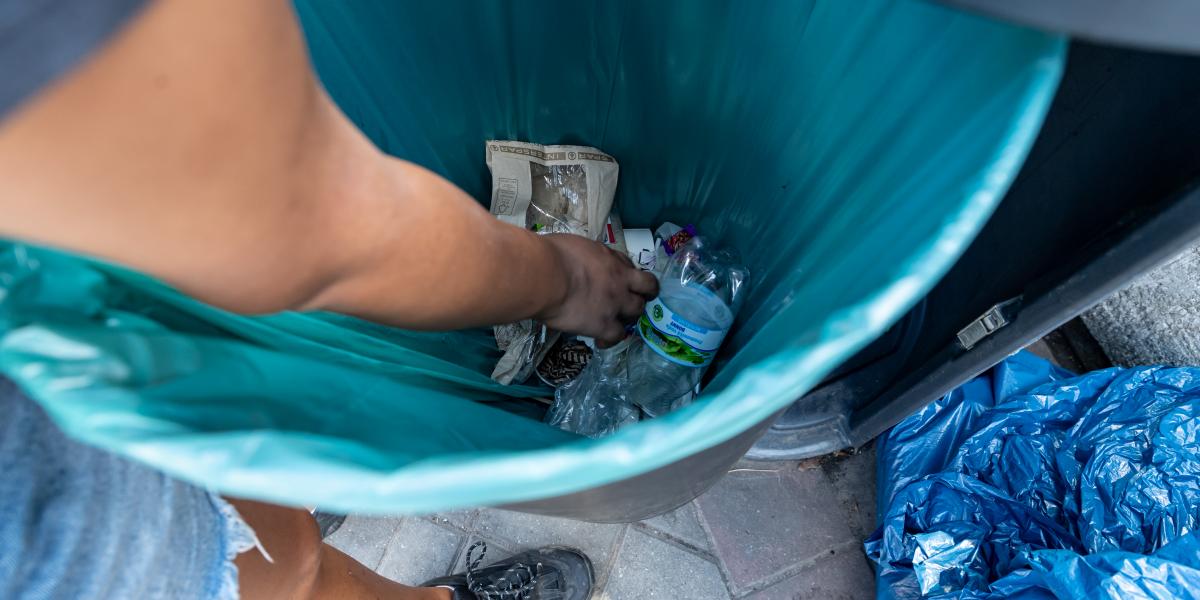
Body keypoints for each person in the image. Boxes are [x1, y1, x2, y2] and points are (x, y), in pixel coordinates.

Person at [0, 1, 657, 599]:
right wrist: (562, 283)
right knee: (276, 567)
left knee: (286, 566)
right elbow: (306, 227)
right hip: (76, 532)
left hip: (65, 502)